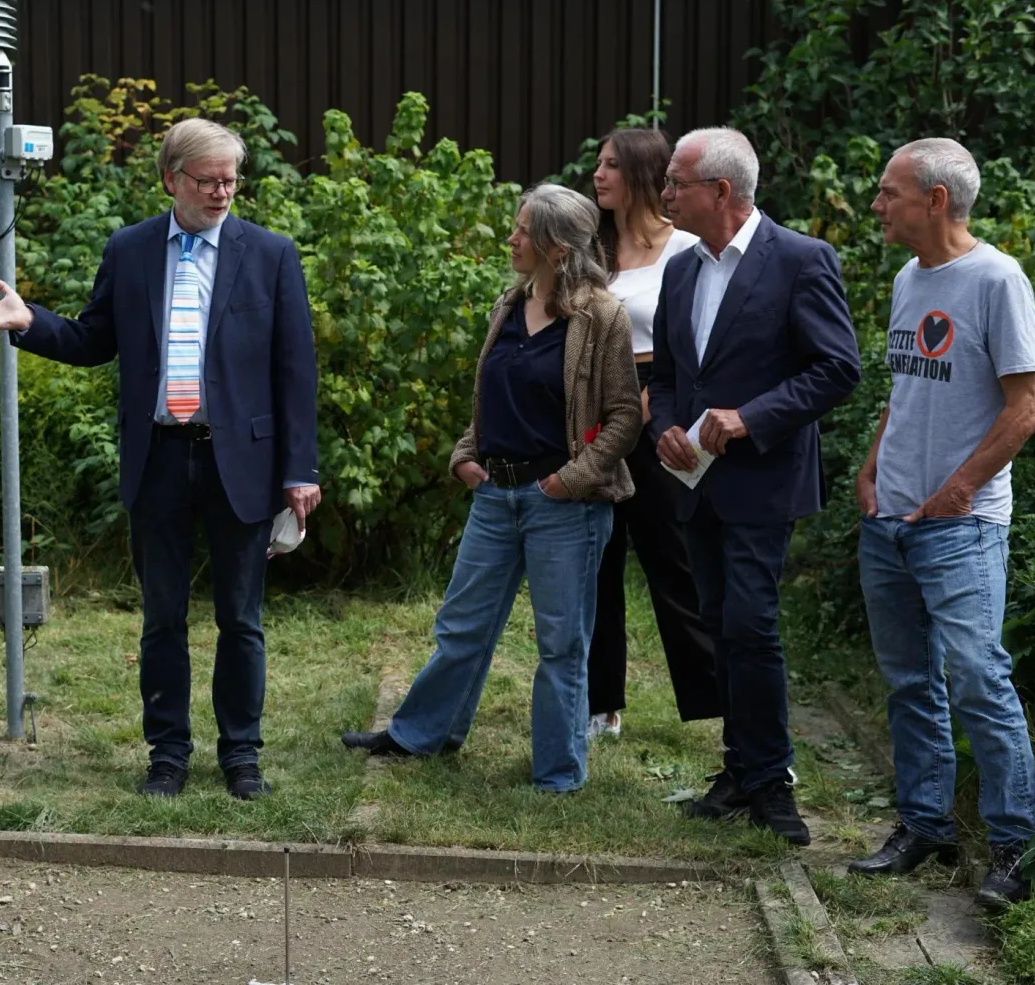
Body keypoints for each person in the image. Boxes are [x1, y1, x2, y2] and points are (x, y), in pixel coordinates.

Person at [0, 118, 320, 800]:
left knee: (241, 618)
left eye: (230, 180)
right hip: (158, 459)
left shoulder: (270, 254)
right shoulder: (132, 250)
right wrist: (28, 321)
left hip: (242, 461)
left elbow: (295, 370)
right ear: (172, 180)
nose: (221, 193)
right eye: (207, 181)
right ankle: (168, 755)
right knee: (162, 617)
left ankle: (242, 757)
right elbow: (95, 339)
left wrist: (301, 470)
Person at [340, 184, 642, 793]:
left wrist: (569, 480)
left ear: (557, 247)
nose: (511, 238)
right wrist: (464, 455)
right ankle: (420, 735)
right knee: (462, 627)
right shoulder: (507, 306)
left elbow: (623, 417)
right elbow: (492, 402)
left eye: (522, 229)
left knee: (561, 644)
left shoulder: (602, 316)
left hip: (564, 505)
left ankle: (557, 773)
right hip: (495, 498)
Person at [648, 127, 861, 845]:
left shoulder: (801, 260)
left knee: (751, 624)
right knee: (719, 624)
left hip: (764, 479)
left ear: (722, 192)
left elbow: (837, 368)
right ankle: (739, 771)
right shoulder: (681, 269)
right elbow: (670, 376)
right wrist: (665, 429)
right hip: (694, 481)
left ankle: (772, 783)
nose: (665, 193)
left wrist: (749, 419)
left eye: (676, 182)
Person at [848, 139, 1035, 908]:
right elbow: (909, 388)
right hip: (889, 518)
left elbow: (1027, 407)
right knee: (908, 684)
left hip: (959, 526)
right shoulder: (907, 276)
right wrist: (871, 468)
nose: (877, 204)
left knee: (978, 680)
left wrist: (959, 490)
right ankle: (923, 826)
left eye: (889, 192)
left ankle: (1013, 848)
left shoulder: (998, 279)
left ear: (935, 199)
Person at [586, 128, 719, 740]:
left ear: (643, 173)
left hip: (658, 412)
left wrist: (649, 405)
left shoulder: (686, 250)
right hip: (592, 412)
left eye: (612, 164)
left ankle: (719, 707)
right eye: (598, 163)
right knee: (596, 562)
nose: (598, 174)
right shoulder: (591, 246)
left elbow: (697, 345)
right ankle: (599, 704)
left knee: (675, 565)